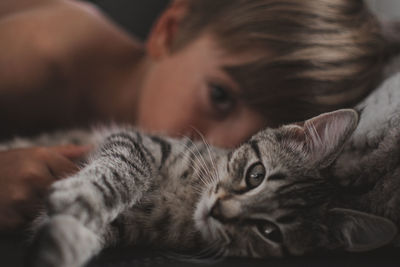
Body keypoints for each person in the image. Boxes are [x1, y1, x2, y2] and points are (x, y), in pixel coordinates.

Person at [0, 0, 390, 230]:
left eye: (248, 144)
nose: (219, 149)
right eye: (220, 97)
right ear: (170, 32)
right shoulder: (40, 59)